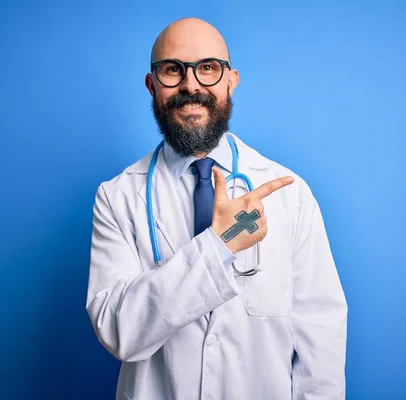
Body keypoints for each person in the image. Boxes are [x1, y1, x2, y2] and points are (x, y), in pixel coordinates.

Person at [86, 17, 348, 400]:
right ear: (151, 85)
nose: (191, 85)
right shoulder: (117, 197)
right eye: (173, 70)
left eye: (207, 68)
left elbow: (320, 341)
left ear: (231, 80)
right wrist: (218, 246)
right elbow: (118, 331)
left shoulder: (290, 194)